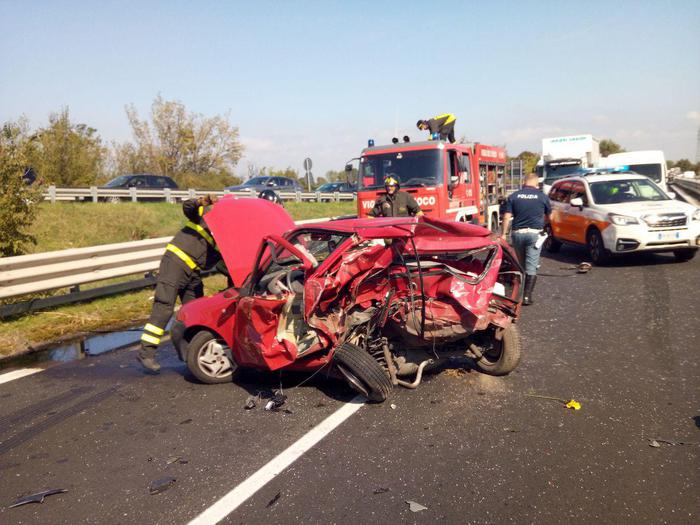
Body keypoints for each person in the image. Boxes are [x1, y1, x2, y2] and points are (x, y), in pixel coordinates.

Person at [138, 194, 222, 372]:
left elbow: (224, 264)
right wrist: (203, 201)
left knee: (197, 310)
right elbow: (188, 206)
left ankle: (190, 352)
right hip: (175, 263)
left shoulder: (225, 235)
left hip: (193, 271)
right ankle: (146, 354)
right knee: (164, 307)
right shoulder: (204, 214)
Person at [500, 173, 551, 305]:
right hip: (534, 234)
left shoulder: (514, 196)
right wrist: (545, 226)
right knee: (531, 266)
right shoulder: (542, 197)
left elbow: (506, 217)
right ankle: (526, 297)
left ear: (524, 183)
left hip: (517, 234)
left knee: (521, 265)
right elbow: (549, 216)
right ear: (536, 184)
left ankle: (517, 293)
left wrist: (504, 234)